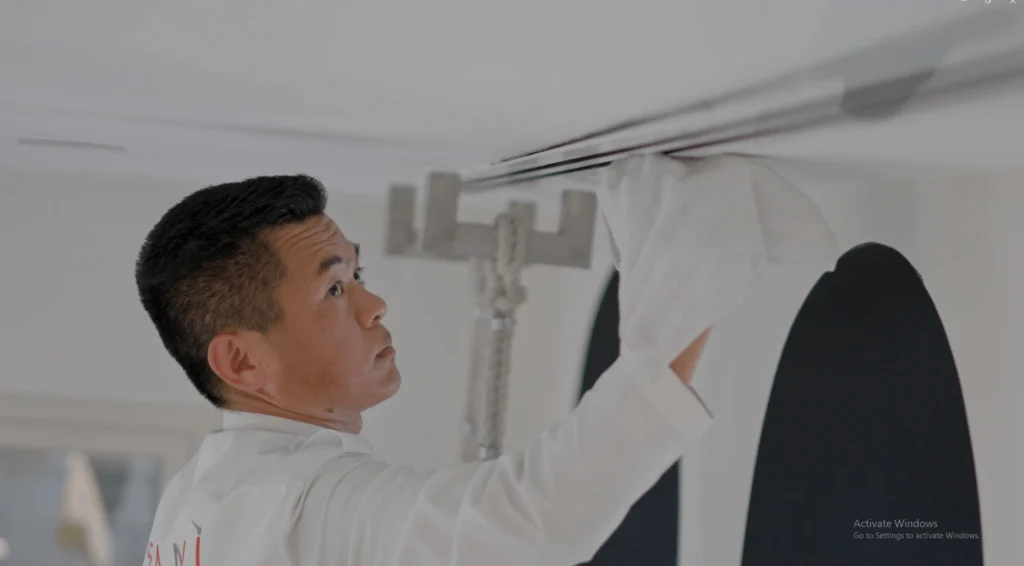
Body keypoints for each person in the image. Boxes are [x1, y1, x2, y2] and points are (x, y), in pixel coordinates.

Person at [135, 174, 714, 566]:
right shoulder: (300, 505)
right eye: (334, 287)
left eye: (359, 276)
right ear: (242, 361)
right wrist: (692, 268)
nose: (373, 305)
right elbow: (533, 525)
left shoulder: (194, 504)